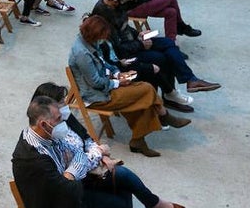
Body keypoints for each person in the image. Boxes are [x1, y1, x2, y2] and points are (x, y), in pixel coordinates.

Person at [33, 82, 185, 208]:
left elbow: (86, 138)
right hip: (77, 184)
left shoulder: (63, 119)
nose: (65, 106)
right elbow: (74, 163)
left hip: (88, 171)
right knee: (123, 178)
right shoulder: (49, 134)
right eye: (60, 103)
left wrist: (99, 154)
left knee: (122, 185)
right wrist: (98, 154)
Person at [69, 15, 191, 156]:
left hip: (106, 85)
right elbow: (95, 82)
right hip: (98, 96)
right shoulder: (82, 54)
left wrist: (117, 73)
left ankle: (140, 139)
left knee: (143, 94)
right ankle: (162, 117)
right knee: (146, 90)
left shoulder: (90, 43)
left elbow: (104, 63)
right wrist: (118, 82)